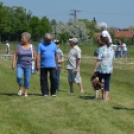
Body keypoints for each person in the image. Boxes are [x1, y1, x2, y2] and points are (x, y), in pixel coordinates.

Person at [12, 32, 37, 97]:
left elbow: (35, 56)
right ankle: (20, 89)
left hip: (29, 66)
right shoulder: (19, 46)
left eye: (23, 38)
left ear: (27, 39)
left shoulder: (32, 47)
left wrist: (35, 61)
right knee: (19, 76)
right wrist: (13, 64)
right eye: (21, 38)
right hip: (20, 65)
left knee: (27, 79)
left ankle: (26, 92)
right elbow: (15, 55)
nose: (21, 39)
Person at [94, 33, 114, 101]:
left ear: (102, 41)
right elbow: (113, 61)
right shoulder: (112, 50)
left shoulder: (101, 49)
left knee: (99, 82)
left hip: (102, 69)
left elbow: (99, 60)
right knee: (107, 83)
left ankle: (98, 96)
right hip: (109, 69)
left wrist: (95, 69)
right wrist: (111, 68)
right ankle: (105, 98)